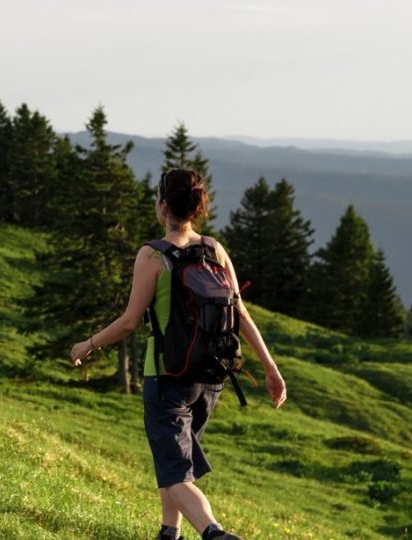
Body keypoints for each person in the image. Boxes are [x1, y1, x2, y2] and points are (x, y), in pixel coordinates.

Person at [68, 169, 288, 540]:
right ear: (198, 207)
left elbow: (128, 322)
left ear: (163, 205)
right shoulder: (215, 249)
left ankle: (215, 534)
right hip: (210, 377)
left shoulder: (153, 255)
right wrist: (271, 368)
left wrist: (87, 345)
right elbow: (241, 314)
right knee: (176, 465)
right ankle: (169, 532)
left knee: (174, 470)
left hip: (167, 375)